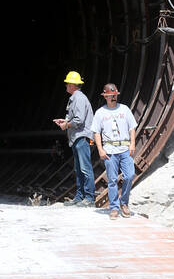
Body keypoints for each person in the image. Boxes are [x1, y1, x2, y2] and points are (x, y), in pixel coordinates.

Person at [91, 82, 137, 219]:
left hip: (124, 148)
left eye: (115, 95)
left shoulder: (124, 110)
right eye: (111, 95)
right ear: (105, 96)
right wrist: (100, 149)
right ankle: (114, 207)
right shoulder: (100, 113)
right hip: (110, 150)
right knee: (112, 180)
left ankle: (124, 203)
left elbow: (132, 128)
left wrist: (132, 144)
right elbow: (96, 132)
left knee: (129, 175)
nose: (113, 98)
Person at [52, 70, 95, 205]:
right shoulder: (75, 98)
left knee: (85, 168)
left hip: (82, 137)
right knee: (79, 168)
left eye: (67, 84)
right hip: (77, 137)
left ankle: (89, 198)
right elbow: (75, 118)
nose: (66, 86)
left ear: (72, 85)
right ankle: (79, 197)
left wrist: (66, 125)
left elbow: (79, 120)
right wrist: (64, 121)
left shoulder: (79, 98)